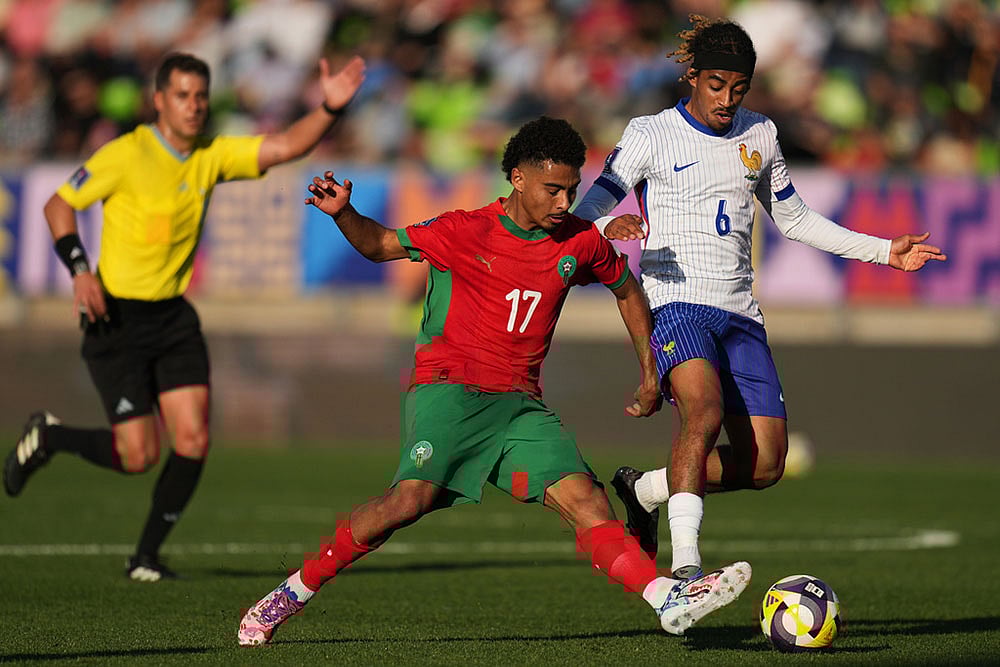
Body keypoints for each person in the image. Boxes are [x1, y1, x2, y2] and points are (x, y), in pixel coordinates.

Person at [237, 117, 751, 645]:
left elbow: (626, 289)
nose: (563, 201)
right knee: (405, 503)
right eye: (553, 189)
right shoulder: (464, 230)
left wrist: (649, 371)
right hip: (449, 390)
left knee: (588, 500)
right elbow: (381, 244)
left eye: (572, 189)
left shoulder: (579, 240)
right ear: (518, 178)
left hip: (520, 406)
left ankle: (667, 598)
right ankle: (293, 591)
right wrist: (344, 212)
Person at [573, 15, 947, 580]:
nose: (727, 99)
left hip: (740, 311)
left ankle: (645, 488)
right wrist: (606, 230)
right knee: (703, 412)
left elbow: (793, 219)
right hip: (675, 301)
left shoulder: (761, 135)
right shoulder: (650, 134)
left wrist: (882, 251)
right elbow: (586, 211)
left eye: (738, 88)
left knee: (768, 462)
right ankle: (686, 568)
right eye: (716, 85)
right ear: (693, 78)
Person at [3, 52, 367, 582]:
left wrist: (330, 106)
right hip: (116, 317)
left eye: (200, 96)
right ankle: (51, 437)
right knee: (137, 454)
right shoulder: (125, 154)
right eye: (182, 96)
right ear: (158, 100)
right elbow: (59, 206)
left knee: (193, 440)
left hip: (172, 318)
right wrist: (80, 270)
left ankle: (145, 557)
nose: (194, 106)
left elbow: (287, 145)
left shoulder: (211, 155)